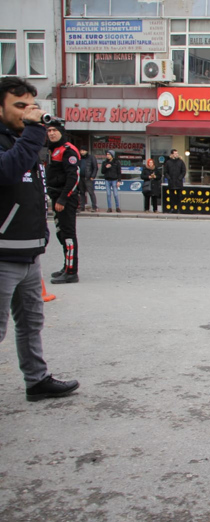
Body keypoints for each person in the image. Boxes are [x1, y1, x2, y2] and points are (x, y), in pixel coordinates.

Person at [0, 76, 80, 401]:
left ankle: (36, 381)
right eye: (19, 106)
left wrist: (41, 235)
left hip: (28, 254)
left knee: (31, 324)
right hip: (3, 255)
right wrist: (33, 130)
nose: (28, 112)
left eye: (32, 106)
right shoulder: (24, 141)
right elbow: (8, 171)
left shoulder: (24, 141)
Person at [45, 121, 81, 284]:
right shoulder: (54, 149)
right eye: (49, 130)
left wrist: (63, 199)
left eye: (54, 130)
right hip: (56, 196)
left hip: (66, 198)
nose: (51, 133)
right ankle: (67, 266)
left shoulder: (68, 150)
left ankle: (71, 272)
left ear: (61, 132)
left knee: (68, 235)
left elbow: (74, 178)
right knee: (61, 234)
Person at [164, 149, 186, 213]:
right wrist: (169, 178)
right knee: (172, 196)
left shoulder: (181, 162)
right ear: (172, 154)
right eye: (175, 153)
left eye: (177, 153)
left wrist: (180, 178)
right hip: (171, 182)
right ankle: (172, 208)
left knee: (179, 196)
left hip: (178, 182)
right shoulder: (168, 162)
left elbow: (184, 171)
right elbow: (165, 172)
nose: (177, 154)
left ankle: (178, 208)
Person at [78, 146, 98, 212]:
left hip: (88, 178)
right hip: (80, 178)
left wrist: (93, 176)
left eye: (83, 151)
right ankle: (82, 207)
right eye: (81, 151)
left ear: (86, 151)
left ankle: (94, 207)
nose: (82, 152)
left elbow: (95, 167)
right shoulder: (79, 158)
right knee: (82, 193)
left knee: (91, 192)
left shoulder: (91, 157)